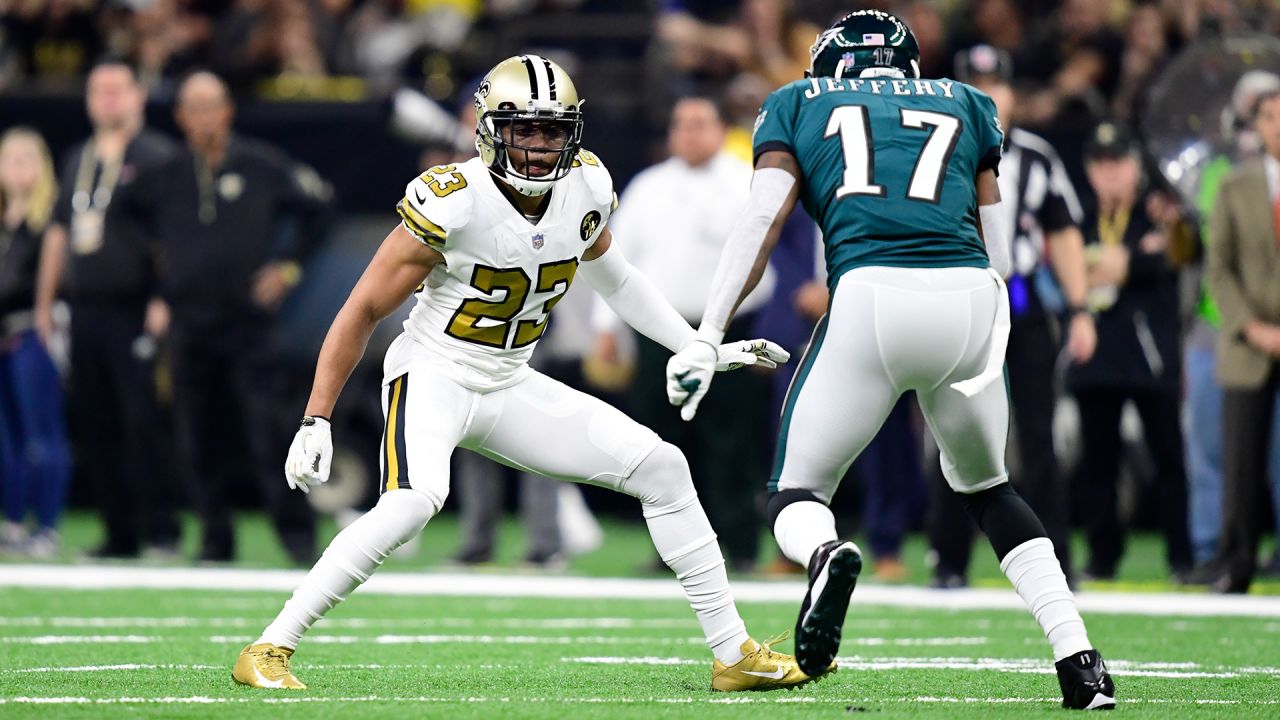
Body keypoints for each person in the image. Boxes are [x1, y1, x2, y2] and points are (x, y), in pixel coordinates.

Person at [231, 55, 819, 693]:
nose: (539, 147)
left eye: (553, 130)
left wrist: (695, 343)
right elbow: (363, 309)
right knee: (411, 502)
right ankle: (270, 646)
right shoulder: (453, 200)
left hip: (510, 378)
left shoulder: (586, 187)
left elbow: (615, 278)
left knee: (663, 468)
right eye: (523, 129)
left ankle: (733, 654)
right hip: (434, 370)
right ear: (488, 128)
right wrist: (317, 415)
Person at [665, 11, 1114, 710]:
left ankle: (824, 555)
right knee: (991, 489)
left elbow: (761, 221)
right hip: (972, 298)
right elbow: (996, 237)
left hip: (872, 295)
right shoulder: (969, 101)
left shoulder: (796, 104)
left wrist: (708, 329)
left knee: (796, 492)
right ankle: (1079, 661)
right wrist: (989, 314)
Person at [116, 70, 331, 564]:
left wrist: (288, 268)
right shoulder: (165, 176)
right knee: (196, 435)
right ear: (180, 117)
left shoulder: (261, 165)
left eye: (213, 106)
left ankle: (298, 539)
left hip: (249, 323)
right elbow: (123, 214)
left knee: (270, 429)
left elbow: (319, 208)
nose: (205, 118)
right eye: (195, 108)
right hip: (189, 323)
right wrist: (157, 268)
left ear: (228, 110)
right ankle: (215, 537)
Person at [927, 45, 1096, 587]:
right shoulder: (935, 148)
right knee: (951, 428)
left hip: (1019, 302)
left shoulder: (1037, 156)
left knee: (1038, 432)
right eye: (974, 84)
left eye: (995, 84)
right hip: (956, 297)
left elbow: (1064, 231)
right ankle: (948, 560)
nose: (988, 95)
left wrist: (1079, 308)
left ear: (1012, 92)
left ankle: (1055, 560)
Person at [590, 96, 774, 570]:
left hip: (730, 328)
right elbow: (613, 258)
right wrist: (605, 327)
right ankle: (672, 549)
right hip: (660, 332)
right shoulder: (648, 187)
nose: (690, 133)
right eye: (682, 124)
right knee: (662, 441)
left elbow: (764, 257)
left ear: (719, 129)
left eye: (700, 123)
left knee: (732, 439)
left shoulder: (743, 182)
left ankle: (741, 547)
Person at [34, 59, 180, 560]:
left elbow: (172, 236)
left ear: (138, 96)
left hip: (135, 307)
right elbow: (58, 233)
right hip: (85, 310)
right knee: (96, 423)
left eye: (118, 89)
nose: (108, 99)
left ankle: (161, 528)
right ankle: (119, 533)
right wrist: (45, 302)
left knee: (140, 419)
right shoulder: (78, 158)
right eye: (99, 90)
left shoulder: (159, 156)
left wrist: (163, 298)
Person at [1066, 120, 1192, 582]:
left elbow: (1177, 257)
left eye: (1117, 162)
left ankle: (1182, 557)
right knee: (1098, 462)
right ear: (1089, 170)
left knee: (1168, 458)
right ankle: (1103, 558)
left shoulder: (1161, 211)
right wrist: (1124, 261)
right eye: (1100, 164)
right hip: (1093, 354)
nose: (1110, 173)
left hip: (1149, 355)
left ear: (1136, 166)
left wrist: (1125, 262)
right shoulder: (1076, 214)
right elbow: (1065, 267)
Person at [1195, 88, 1280, 593]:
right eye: (1269, 116)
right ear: (1256, 125)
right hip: (1248, 342)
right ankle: (1236, 563)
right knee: (1240, 462)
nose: (1277, 125)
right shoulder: (1233, 185)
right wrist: (1252, 327)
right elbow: (1217, 269)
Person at [0, 127, 71, 558]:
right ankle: (12, 519)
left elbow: (49, 285)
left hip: (32, 332)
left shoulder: (50, 222)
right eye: (10, 157)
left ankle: (46, 525)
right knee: (6, 439)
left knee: (42, 432)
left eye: (28, 157)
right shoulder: (5, 223)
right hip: (2, 335)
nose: (18, 166)